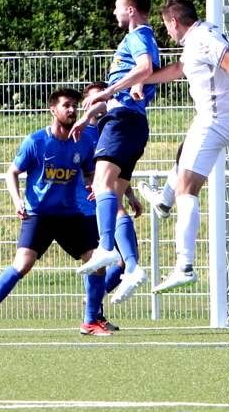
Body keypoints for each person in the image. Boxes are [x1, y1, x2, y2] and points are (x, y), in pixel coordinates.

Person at [131, 0, 229, 293]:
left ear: (174, 22)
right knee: (183, 154)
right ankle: (163, 202)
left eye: (166, 27)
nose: (167, 32)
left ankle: (184, 266)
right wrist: (141, 81)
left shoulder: (203, 38)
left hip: (217, 121)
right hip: (210, 117)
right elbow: (179, 69)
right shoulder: (195, 38)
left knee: (187, 189)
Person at [0, 89, 107, 337]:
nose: (72, 110)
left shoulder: (83, 141)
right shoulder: (36, 142)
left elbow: (89, 172)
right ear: (53, 110)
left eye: (75, 105)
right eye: (67, 105)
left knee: (97, 262)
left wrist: (93, 184)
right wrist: (17, 200)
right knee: (23, 264)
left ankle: (90, 321)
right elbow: (11, 172)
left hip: (70, 215)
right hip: (39, 215)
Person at [73, 0, 160, 306]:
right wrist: (89, 116)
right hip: (130, 122)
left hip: (123, 122)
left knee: (101, 183)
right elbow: (138, 79)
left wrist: (107, 92)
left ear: (131, 11)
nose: (114, 12)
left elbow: (143, 69)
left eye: (117, 7)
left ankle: (107, 248)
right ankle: (133, 267)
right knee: (117, 198)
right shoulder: (146, 39)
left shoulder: (138, 36)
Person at [80, 82, 143, 330]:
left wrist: (129, 194)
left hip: (106, 198)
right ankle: (91, 314)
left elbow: (114, 169)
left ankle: (94, 308)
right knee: (110, 259)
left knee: (126, 260)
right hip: (88, 208)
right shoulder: (86, 132)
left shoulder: (113, 126)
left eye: (102, 99)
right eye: (93, 101)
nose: (99, 105)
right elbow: (82, 167)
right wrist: (88, 183)